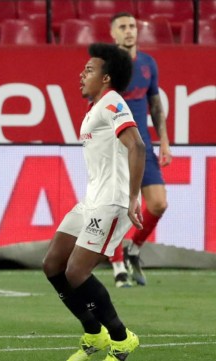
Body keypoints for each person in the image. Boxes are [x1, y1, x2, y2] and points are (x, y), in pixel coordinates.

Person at [42, 43, 144, 361]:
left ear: (106, 77)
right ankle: (93, 331)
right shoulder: (96, 108)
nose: (82, 74)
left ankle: (120, 337)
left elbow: (137, 147)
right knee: (53, 264)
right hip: (91, 200)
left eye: (89, 69)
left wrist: (131, 198)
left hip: (112, 202)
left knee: (76, 271)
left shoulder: (113, 102)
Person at [108, 12, 172, 288]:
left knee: (158, 203)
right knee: (118, 207)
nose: (129, 31)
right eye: (122, 27)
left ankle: (133, 248)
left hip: (143, 146)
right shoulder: (105, 65)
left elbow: (155, 105)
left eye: (132, 26)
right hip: (115, 147)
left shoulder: (148, 63)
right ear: (113, 34)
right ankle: (117, 265)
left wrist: (165, 140)